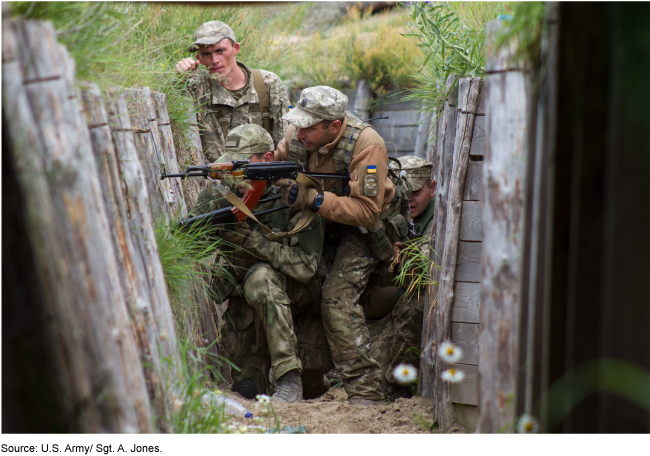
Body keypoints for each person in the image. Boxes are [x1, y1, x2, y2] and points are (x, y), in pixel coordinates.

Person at [273, 86, 405, 405]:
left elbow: (368, 210)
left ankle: (366, 392)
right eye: (298, 124)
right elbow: (275, 166)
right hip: (321, 224)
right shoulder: (296, 134)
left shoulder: (366, 144)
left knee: (336, 297)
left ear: (334, 126)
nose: (299, 132)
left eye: (309, 127)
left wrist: (314, 199)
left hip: (365, 229)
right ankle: (310, 379)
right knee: (301, 284)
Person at [188, 124, 331, 403]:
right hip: (244, 298)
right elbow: (189, 241)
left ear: (267, 160)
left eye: (243, 163)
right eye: (231, 162)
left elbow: (306, 267)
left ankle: (290, 379)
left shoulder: (295, 196)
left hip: (293, 294)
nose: (234, 171)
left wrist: (255, 242)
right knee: (246, 389)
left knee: (261, 276)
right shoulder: (222, 191)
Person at [361, 156, 436, 400]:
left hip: (407, 312)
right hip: (379, 313)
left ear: (432, 188)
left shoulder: (440, 220)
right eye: (401, 192)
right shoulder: (381, 212)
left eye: (414, 191)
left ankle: (400, 386)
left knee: (416, 299)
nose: (408, 199)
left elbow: (425, 267)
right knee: (368, 383)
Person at [175, 21, 290, 163]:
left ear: (235, 48)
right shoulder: (195, 87)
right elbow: (175, 123)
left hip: (263, 180)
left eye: (220, 51)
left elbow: (284, 145)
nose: (214, 60)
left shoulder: (268, 84)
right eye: (206, 54)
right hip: (214, 181)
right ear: (199, 58)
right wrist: (179, 81)